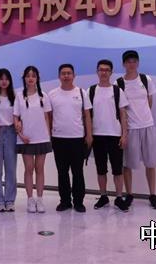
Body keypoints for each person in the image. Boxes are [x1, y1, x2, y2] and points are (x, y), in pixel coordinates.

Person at [118, 50, 156, 210]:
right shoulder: (119, 83)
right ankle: (129, 194)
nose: (132, 64)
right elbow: (121, 109)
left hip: (148, 126)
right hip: (131, 129)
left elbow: (149, 101)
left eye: (134, 61)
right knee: (128, 164)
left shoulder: (145, 79)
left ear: (138, 62)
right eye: (128, 61)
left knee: (151, 163)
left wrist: (144, 117)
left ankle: (153, 195)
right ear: (124, 64)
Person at [48, 63, 92, 212]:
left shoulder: (81, 93)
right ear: (59, 76)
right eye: (63, 73)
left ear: (74, 75)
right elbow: (49, 117)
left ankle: (79, 202)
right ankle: (65, 201)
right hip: (58, 138)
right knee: (62, 172)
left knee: (78, 172)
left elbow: (87, 115)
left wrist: (89, 135)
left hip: (77, 138)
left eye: (69, 73)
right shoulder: (52, 94)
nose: (66, 76)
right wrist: (49, 135)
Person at [87, 59, 129, 211]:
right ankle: (103, 196)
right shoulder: (91, 91)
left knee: (117, 169)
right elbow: (87, 115)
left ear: (111, 72)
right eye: (101, 69)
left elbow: (123, 115)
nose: (103, 72)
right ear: (97, 72)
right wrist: (88, 135)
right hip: (97, 136)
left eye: (106, 70)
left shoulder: (117, 91)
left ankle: (119, 197)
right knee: (101, 169)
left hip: (115, 135)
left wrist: (124, 135)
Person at [13, 66, 52, 213]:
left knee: (40, 169)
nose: (30, 78)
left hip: (41, 138)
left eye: (33, 76)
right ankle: (30, 199)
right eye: (28, 76)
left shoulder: (44, 96)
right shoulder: (19, 96)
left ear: (37, 79)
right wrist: (21, 135)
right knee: (29, 169)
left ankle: (40, 199)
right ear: (24, 78)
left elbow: (47, 117)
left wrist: (48, 136)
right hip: (26, 139)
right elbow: (15, 118)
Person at [0, 68, 17, 213]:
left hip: (11, 132)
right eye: (1, 78)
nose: (4, 81)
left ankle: (10, 200)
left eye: (7, 79)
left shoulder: (15, 97)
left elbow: (19, 116)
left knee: (11, 168)